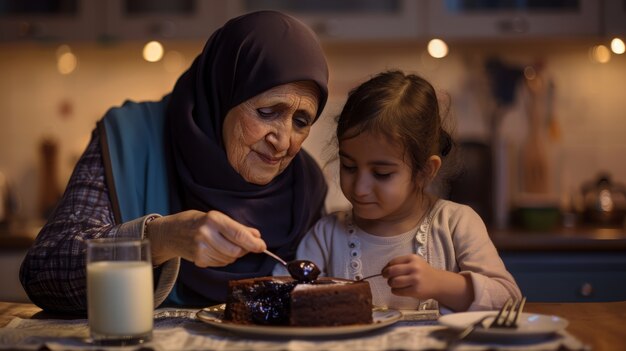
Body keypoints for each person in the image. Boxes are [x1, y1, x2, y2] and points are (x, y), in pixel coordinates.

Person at [20, 10, 330, 314]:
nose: (285, 140)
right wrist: (156, 241)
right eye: (268, 112)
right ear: (221, 93)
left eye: (301, 121)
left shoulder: (306, 185)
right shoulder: (131, 138)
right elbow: (44, 273)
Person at [274, 70, 521, 312]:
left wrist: (442, 284)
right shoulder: (327, 236)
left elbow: (508, 299)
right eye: (349, 167)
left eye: (382, 174)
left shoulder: (456, 224)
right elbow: (284, 294)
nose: (359, 188)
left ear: (425, 171)